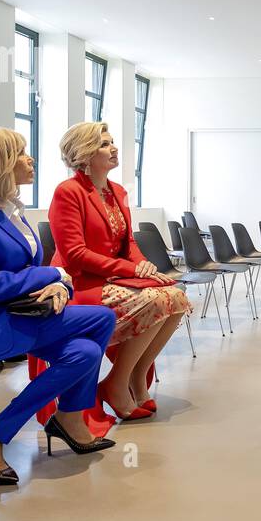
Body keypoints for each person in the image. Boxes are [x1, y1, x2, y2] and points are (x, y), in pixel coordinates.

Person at [0, 128, 116, 487]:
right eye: (20, 153)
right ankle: (67, 418)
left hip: (17, 312)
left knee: (83, 351)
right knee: (100, 319)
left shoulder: (7, 208)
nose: (29, 159)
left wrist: (56, 284)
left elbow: (29, 269)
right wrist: (53, 274)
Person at [48, 122, 190, 428]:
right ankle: (116, 384)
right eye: (104, 144)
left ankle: (136, 376)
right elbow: (75, 254)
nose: (113, 148)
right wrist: (132, 269)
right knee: (156, 300)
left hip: (113, 279)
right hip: (82, 284)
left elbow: (130, 244)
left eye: (112, 142)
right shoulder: (68, 192)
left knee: (177, 297)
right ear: (83, 154)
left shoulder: (118, 192)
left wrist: (145, 266)